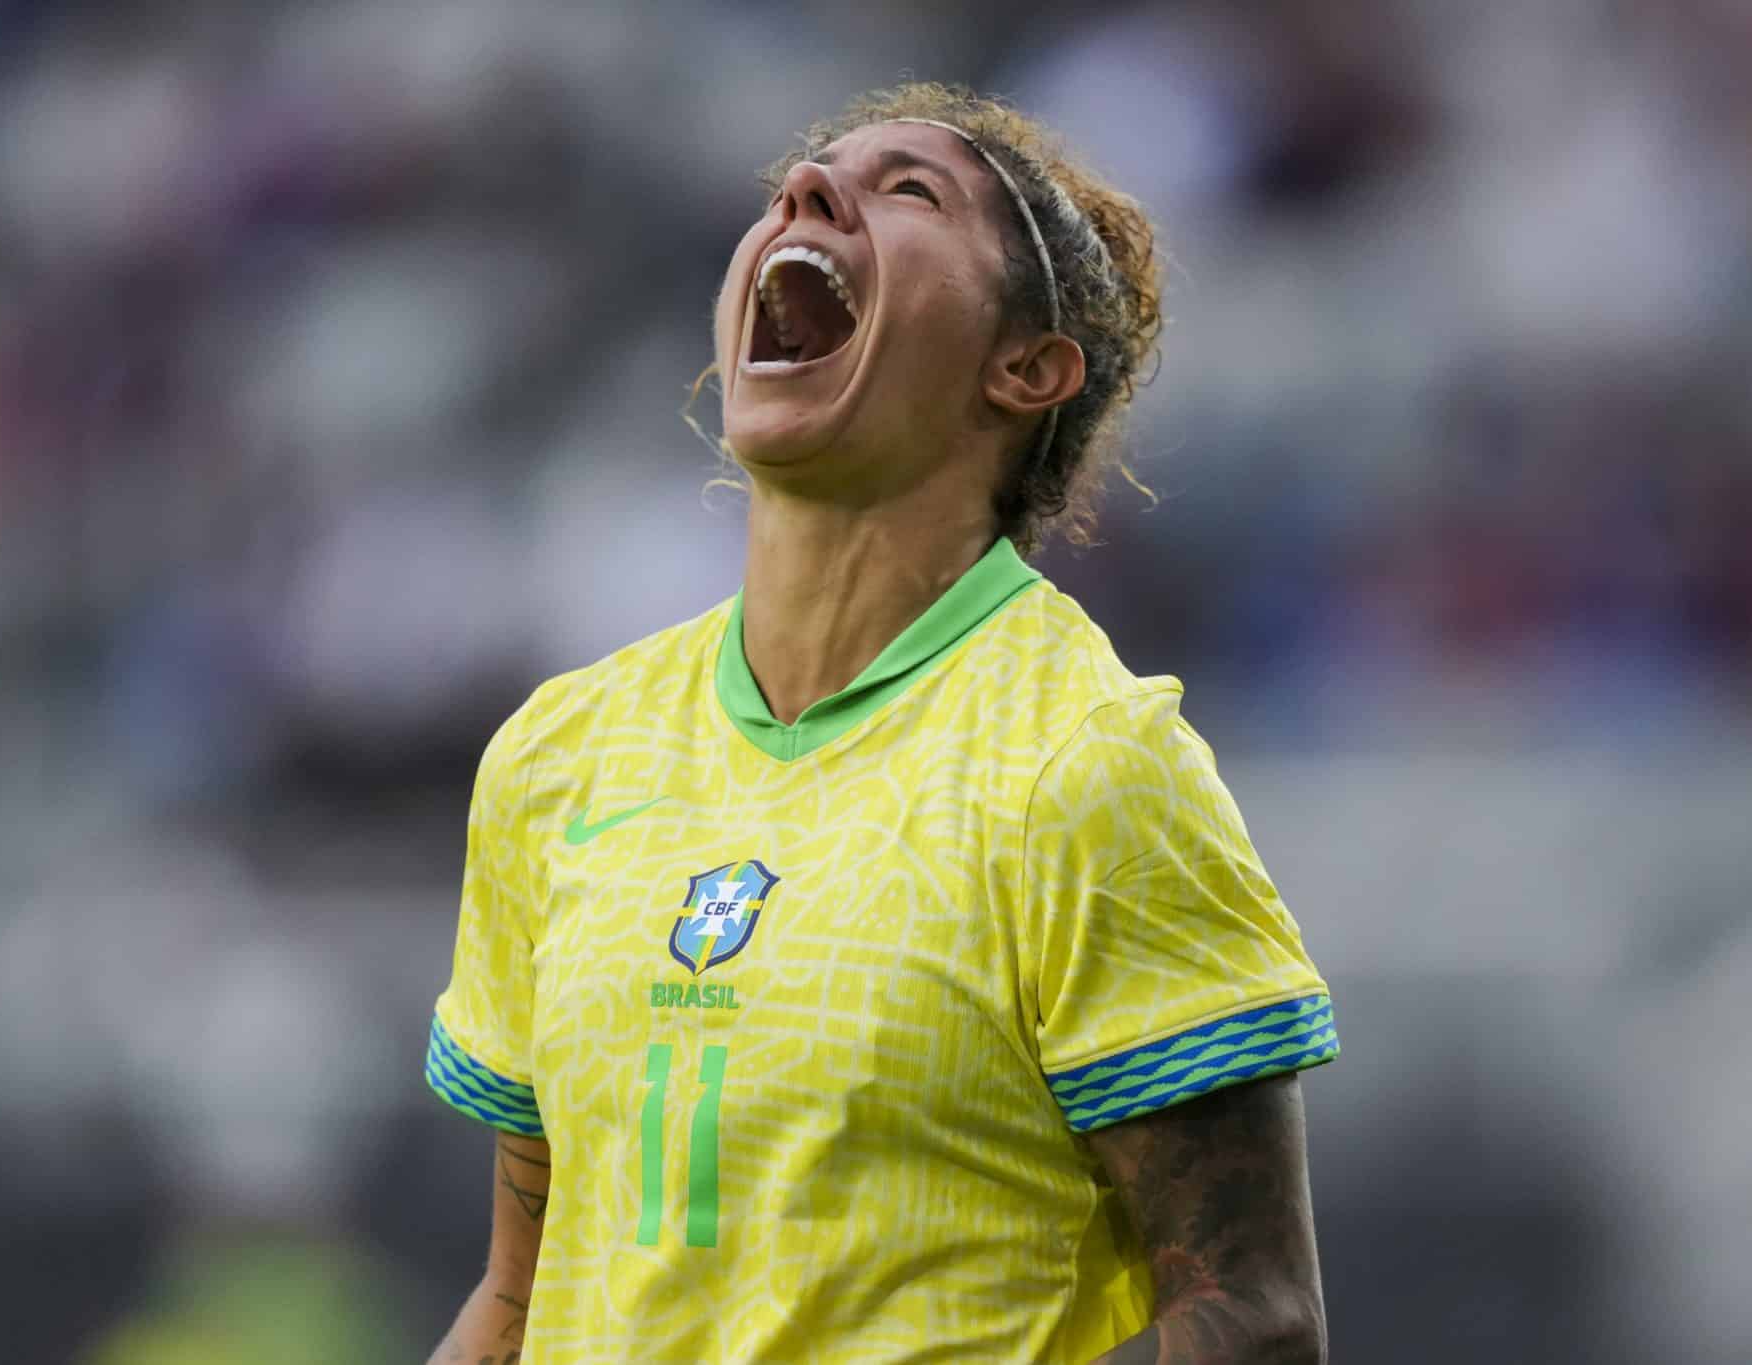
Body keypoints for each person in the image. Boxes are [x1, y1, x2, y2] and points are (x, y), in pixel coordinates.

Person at [425, 83, 1339, 1364]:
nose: (801, 195)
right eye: (796, 181)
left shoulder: (1083, 766)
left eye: (909, 190)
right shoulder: (557, 756)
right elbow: (518, 1306)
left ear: (1025, 368)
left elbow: (1252, 1317)